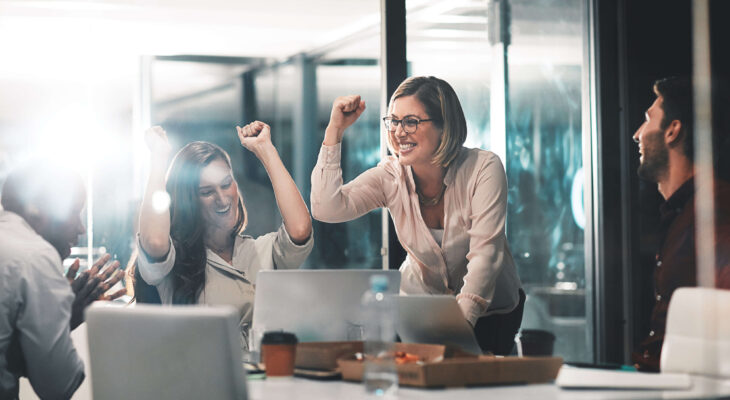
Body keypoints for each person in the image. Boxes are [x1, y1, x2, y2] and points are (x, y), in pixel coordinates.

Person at [311, 76, 524, 355]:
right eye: (394, 121)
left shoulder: (483, 168)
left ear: (444, 127)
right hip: (422, 309)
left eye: (411, 121)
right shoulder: (390, 176)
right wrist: (334, 131)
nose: (399, 132)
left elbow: (486, 256)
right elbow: (326, 208)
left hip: (491, 311)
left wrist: (457, 328)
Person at [136, 122, 313, 349]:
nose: (222, 199)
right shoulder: (174, 261)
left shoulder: (259, 251)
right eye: (206, 192)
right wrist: (159, 159)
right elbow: (154, 240)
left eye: (226, 184)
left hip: (267, 380)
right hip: (204, 381)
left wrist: (266, 150)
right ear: (189, 201)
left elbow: (300, 229)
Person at [0, 163, 125, 399]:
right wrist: (64, 317)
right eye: (74, 211)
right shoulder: (35, 255)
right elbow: (59, 386)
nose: (81, 228)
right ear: (43, 209)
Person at [630, 77, 730, 371]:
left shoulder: (714, 208)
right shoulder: (682, 212)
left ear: (672, 130)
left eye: (648, 120)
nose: (637, 134)